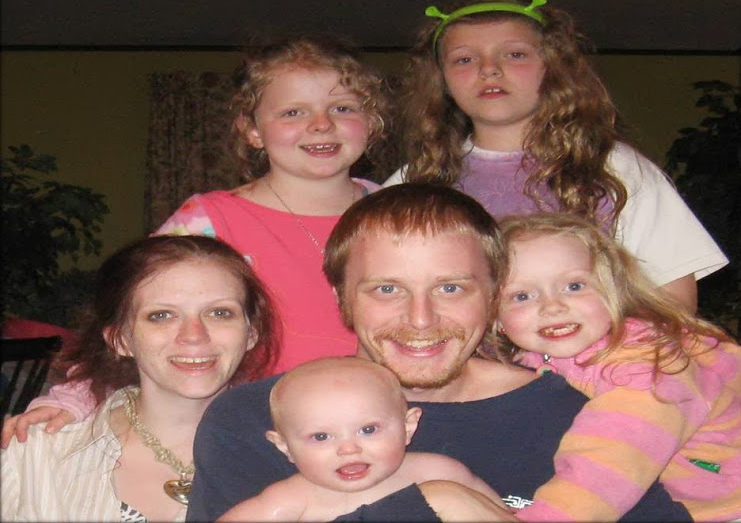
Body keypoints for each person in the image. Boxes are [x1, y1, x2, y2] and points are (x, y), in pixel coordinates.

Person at [187, 183, 691, 522]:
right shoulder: (255, 419)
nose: (421, 319)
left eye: (451, 288)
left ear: (493, 295)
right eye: (387, 289)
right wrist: (437, 499)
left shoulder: (577, 416)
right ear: (342, 297)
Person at [1, 34, 392, 440]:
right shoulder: (209, 220)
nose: (321, 124)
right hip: (254, 435)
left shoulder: (402, 215)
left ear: (372, 120)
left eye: (343, 108)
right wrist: (74, 397)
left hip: (375, 431)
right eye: (293, 112)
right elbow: (132, 318)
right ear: (252, 130)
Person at [384, 0, 727, 313]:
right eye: (465, 59)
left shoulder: (614, 167)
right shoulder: (415, 180)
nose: (489, 69)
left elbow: (673, 299)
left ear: (552, 67)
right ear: (442, 79)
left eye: (515, 54)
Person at [494, 212, 741, 521]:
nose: (552, 306)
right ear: (495, 318)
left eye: (574, 286)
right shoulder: (533, 361)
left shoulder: (648, 368)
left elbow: (610, 464)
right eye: (522, 295)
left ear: (613, 292)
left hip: (738, 503)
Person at [0, 235, 277, 522]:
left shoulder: (295, 459)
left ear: (251, 333)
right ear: (121, 339)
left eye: (220, 313)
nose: (194, 335)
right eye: (162, 315)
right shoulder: (36, 453)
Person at [218, 356, 506, 522]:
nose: (348, 448)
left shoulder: (440, 473)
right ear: (285, 447)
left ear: (408, 426)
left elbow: (503, 516)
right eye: (321, 436)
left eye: (368, 430)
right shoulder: (292, 499)